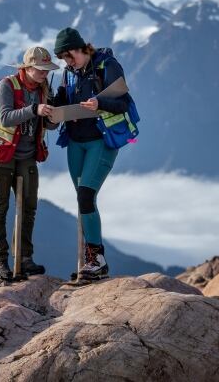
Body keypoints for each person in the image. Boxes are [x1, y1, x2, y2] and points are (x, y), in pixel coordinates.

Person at [50, 27, 132, 280]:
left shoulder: (107, 65)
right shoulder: (69, 73)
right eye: (64, 59)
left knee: (86, 196)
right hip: (75, 142)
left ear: (81, 48)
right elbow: (62, 100)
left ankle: (97, 260)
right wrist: (52, 109)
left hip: (100, 141)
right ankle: (90, 262)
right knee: (83, 200)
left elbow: (124, 102)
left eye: (69, 56)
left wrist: (99, 103)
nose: (67, 62)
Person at [0, 46, 59, 280]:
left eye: (47, 69)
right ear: (28, 67)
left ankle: (24, 258)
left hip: (27, 154)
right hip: (0, 152)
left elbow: (49, 125)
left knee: (28, 206)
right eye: (41, 69)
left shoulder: (44, 89)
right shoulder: (7, 85)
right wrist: (35, 109)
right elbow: (5, 117)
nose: (45, 73)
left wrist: (55, 116)